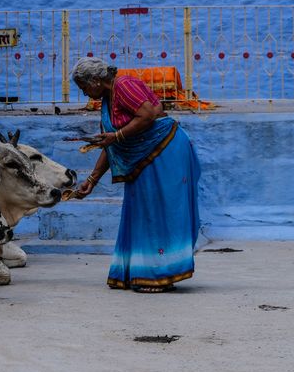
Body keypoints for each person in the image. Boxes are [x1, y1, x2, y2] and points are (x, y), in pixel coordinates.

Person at [71, 57, 201, 293]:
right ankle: (141, 270)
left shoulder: (124, 85)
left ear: (96, 80)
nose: (85, 94)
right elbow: (111, 144)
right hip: (142, 155)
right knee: (141, 210)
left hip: (164, 149)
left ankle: (161, 274)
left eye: (84, 87)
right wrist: (91, 180)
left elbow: (148, 114)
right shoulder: (107, 100)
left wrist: (117, 136)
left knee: (159, 211)